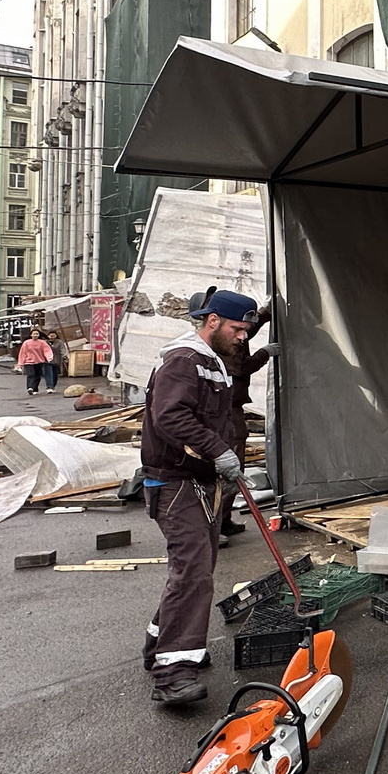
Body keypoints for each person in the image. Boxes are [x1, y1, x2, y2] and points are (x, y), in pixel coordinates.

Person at [139, 289, 255, 706]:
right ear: (212, 322)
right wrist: (219, 450)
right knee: (193, 573)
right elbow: (169, 415)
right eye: (238, 329)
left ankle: (160, 644)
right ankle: (173, 674)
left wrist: (225, 458)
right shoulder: (185, 360)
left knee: (196, 567)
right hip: (175, 482)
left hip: (195, 481)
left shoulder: (211, 361)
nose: (244, 336)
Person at [213, 300, 278, 541]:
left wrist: (263, 315)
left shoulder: (226, 331)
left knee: (231, 463)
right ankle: (218, 523)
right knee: (232, 464)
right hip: (229, 406)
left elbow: (246, 330)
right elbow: (241, 367)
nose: (243, 334)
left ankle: (223, 521)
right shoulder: (228, 341)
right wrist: (265, 354)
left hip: (228, 403)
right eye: (241, 328)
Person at [17, 329, 55, 395]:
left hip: (39, 361)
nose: (35, 335)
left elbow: (47, 350)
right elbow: (22, 353)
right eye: (34, 334)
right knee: (31, 374)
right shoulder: (26, 343)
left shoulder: (42, 342)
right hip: (28, 362)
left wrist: (49, 358)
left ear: (39, 335)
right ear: (31, 335)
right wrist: (20, 363)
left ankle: (35, 389)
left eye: (37, 334)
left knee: (37, 376)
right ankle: (30, 387)